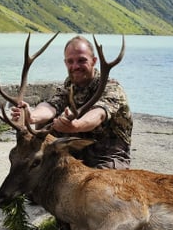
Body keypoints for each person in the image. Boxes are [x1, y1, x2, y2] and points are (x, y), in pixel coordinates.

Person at [13, 35, 132, 169]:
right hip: (75, 153)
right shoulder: (70, 85)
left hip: (106, 157)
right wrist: (32, 116)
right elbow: (52, 104)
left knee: (95, 187)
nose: (75, 66)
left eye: (82, 60)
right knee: (43, 125)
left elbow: (99, 113)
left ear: (93, 61)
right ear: (65, 63)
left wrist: (76, 125)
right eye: (71, 61)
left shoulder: (111, 88)